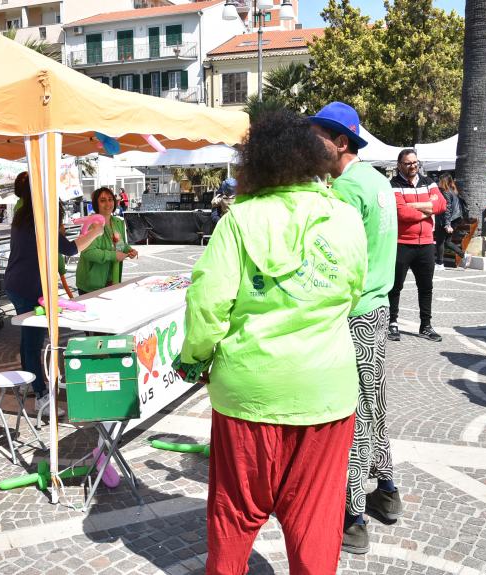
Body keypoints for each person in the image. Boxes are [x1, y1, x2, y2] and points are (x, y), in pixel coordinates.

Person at [177, 108, 367, 575]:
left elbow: (207, 307)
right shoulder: (345, 220)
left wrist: (194, 359)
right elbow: (353, 291)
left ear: (256, 163)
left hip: (249, 395)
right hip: (327, 394)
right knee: (317, 518)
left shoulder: (239, 221)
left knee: (235, 514)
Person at [309, 101, 398, 555]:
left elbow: (331, 259)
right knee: (374, 400)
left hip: (354, 310)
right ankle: (387, 488)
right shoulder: (380, 182)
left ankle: (354, 514)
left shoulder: (344, 190)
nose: (312, 144)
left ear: (341, 142)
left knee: (354, 414)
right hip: (377, 307)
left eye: (319, 136)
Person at [4, 172, 104, 411]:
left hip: (15, 281)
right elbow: (69, 249)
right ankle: (41, 395)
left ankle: (29, 381)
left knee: (28, 338)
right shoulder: (40, 219)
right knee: (34, 341)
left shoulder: (22, 215)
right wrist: (95, 232)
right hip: (30, 286)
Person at [388, 149, 446, 342]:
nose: (413, 166)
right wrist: (426, 208)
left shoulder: (429, 182)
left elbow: (441, 205)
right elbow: (401, 213)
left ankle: (426, 325)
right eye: (408, 163)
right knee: (395, 286)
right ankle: (392, 323)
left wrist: (413, 205)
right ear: (399, 165)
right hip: (402, 243)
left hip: (426, 244)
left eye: (415, 162)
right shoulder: (393, 185)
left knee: (426, 287)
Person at [75, 187, 138, 294]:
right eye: (103, 200)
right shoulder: (91, 224)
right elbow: (87, 252)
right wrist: (113, 255)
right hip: (91, 284)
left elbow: (120, 244)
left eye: (110, 199)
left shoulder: (118, 222)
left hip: (113, 279)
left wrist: (129, 250)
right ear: (96, 204)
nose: (108, 203)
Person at [434, 174, 471, 270]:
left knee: (440, 242)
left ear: (443, 181)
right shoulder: (453, 191)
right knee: (447, 242)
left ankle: (439, 264)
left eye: (439, 180)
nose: (438, 182)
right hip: (454, 219)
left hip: (445, 220)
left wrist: (447, 224)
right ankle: (464, 256)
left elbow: (447, 208)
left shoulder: (445, 192)